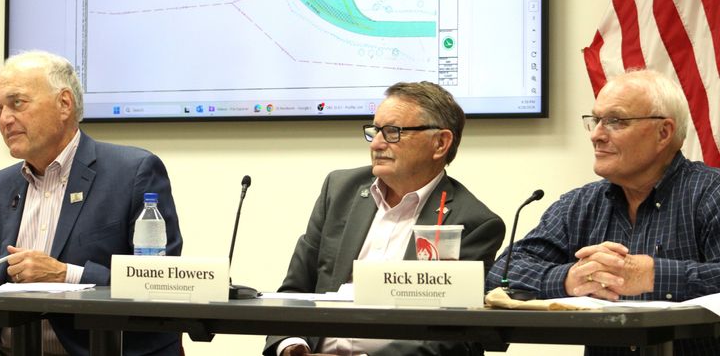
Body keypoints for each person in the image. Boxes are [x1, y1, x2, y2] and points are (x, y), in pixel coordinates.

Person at [0, 51, 183, 356]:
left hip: (98, 349)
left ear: (64, 104)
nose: (4, 119)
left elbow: (162, 281)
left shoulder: (132, 173)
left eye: (17, 103)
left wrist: (67, 275)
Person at [486, 69, 720, 355]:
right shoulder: (581, 204)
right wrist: (568, 279)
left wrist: (654, 276)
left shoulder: (711, 193)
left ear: (663, 132)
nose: (596, 135)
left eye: (615, 121)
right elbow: (501, 274)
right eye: (595, 120)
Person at [263, 81, 506, 356]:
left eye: (393, 132)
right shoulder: (340, 190)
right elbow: (294, 292)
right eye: (375, 130)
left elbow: (452, 335)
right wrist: (291, 346)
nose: (377, 143)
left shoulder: (473, 223)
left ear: (440, 143)